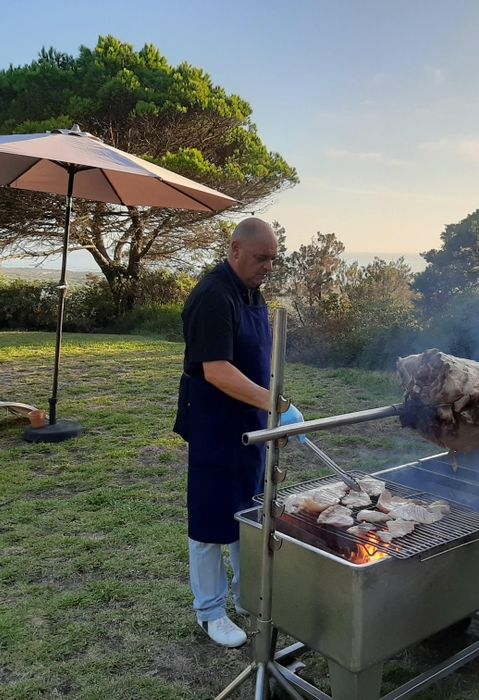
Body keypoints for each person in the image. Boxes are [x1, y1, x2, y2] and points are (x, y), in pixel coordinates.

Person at [173, 217, 304, 648]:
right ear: (234, 250)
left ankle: (249, 595)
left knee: (249, 509)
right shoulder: (213, 295)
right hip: (214, 420)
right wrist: (276, 406)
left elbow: (256, 355)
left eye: (274, 260)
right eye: (262, 258)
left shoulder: (253, 292)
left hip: (250, 421)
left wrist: (275, 407)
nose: (269, 266)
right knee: (211, 516)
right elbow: (218, 370)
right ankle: (210, 610)